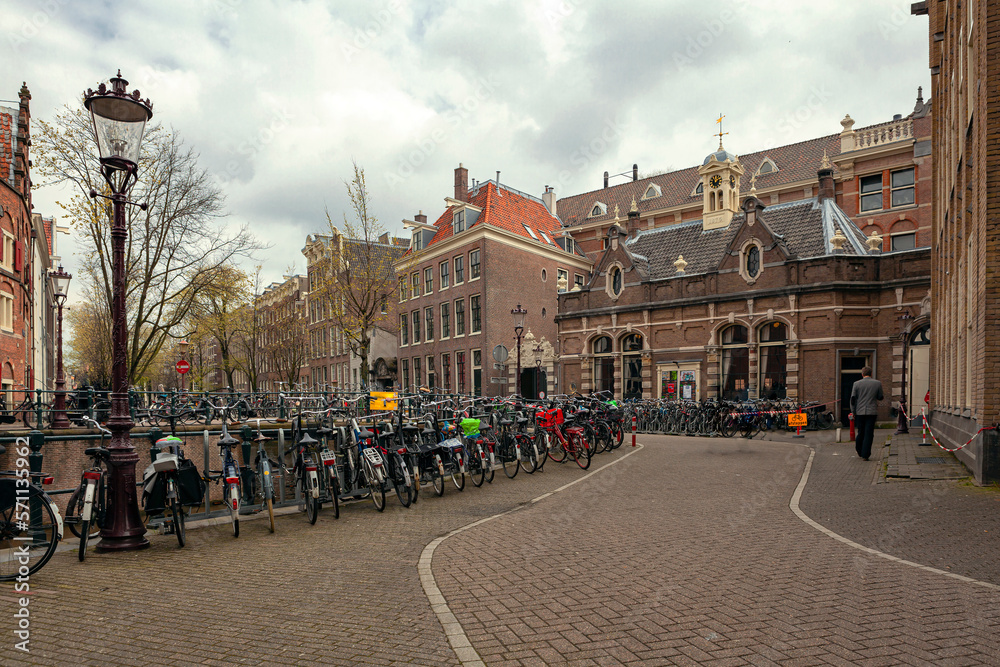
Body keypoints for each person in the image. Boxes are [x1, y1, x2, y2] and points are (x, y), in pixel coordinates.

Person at [850, 366, 884, 460]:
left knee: (861, 432)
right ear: (871, 373)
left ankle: (859, 449)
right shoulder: (877, 383)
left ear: (862, 374)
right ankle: (866, 454)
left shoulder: (856, 384)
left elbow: (853, 399)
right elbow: (880, 396)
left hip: (860, 412)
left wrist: (853, 411)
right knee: (869, 433)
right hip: (871, 412)